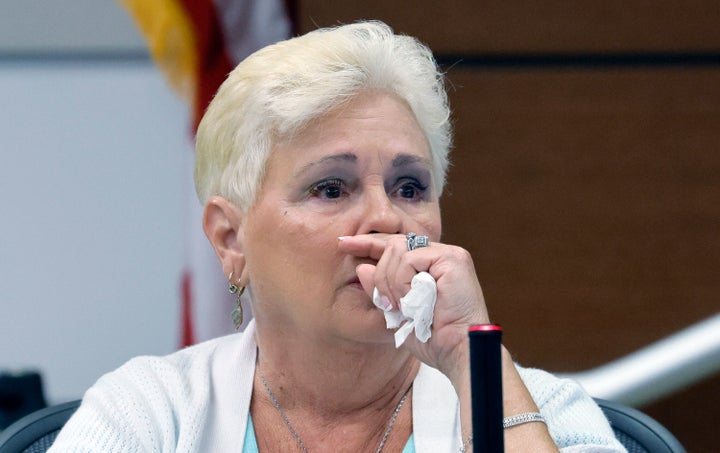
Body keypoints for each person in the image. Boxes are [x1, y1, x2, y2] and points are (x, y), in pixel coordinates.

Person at [50, 21, 625, 452]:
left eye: (408, 187)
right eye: (331, 188)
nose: (386, 219)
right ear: (231, 240)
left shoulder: (538, 408)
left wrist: (470, 355)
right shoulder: (149, 414)